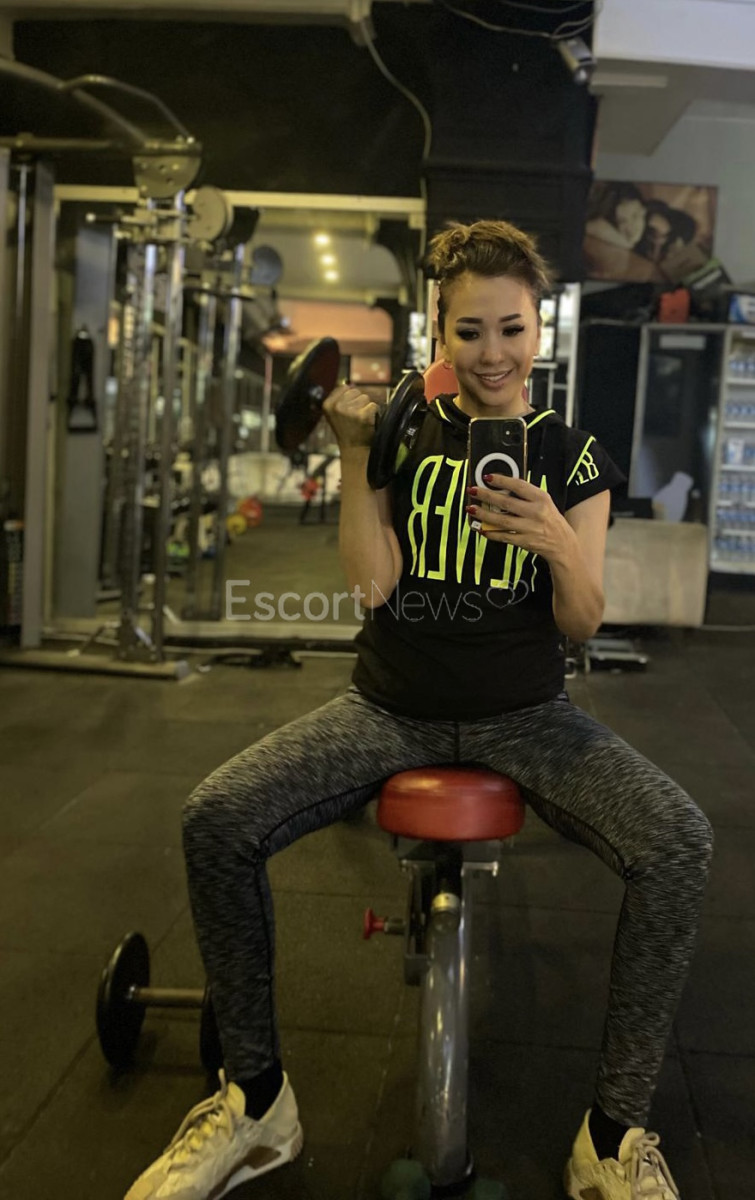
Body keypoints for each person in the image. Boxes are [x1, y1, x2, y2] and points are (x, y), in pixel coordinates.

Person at [124, 220, 712, 1200]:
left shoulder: (571, 458)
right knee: (216, 817)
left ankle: (611, 1136)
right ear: (439, 331)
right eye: (469, 331)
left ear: (538, 331)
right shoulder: (398, 432)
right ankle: (256, 1101)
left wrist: (554, 542)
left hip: (528, 718)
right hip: (386, 709)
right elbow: (370, 588)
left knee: (678, 840)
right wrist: (360, 458)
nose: (492, 353)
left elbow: (580, 621)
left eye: (510, 329)